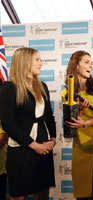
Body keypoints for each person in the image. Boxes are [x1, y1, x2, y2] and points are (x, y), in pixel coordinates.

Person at [0, 47, 56, 199]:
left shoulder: (42, 86)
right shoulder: (9, 87)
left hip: (44, 148)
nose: (41, 64)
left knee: (43, 192)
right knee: (18, 194)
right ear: (25, 62)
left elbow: (49, 116)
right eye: (37, 60)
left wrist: (53, 140)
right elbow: (8, 124)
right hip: (21, 149)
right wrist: (34, 145)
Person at [61, 50, 93, 200]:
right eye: (87, 62)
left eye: (91, 63)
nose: (91, 66)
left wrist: (87, 122)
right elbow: (70, 123)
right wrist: (80, 111)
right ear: (76, 66)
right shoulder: (67, 91)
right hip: (80, 148)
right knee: (83, 194)